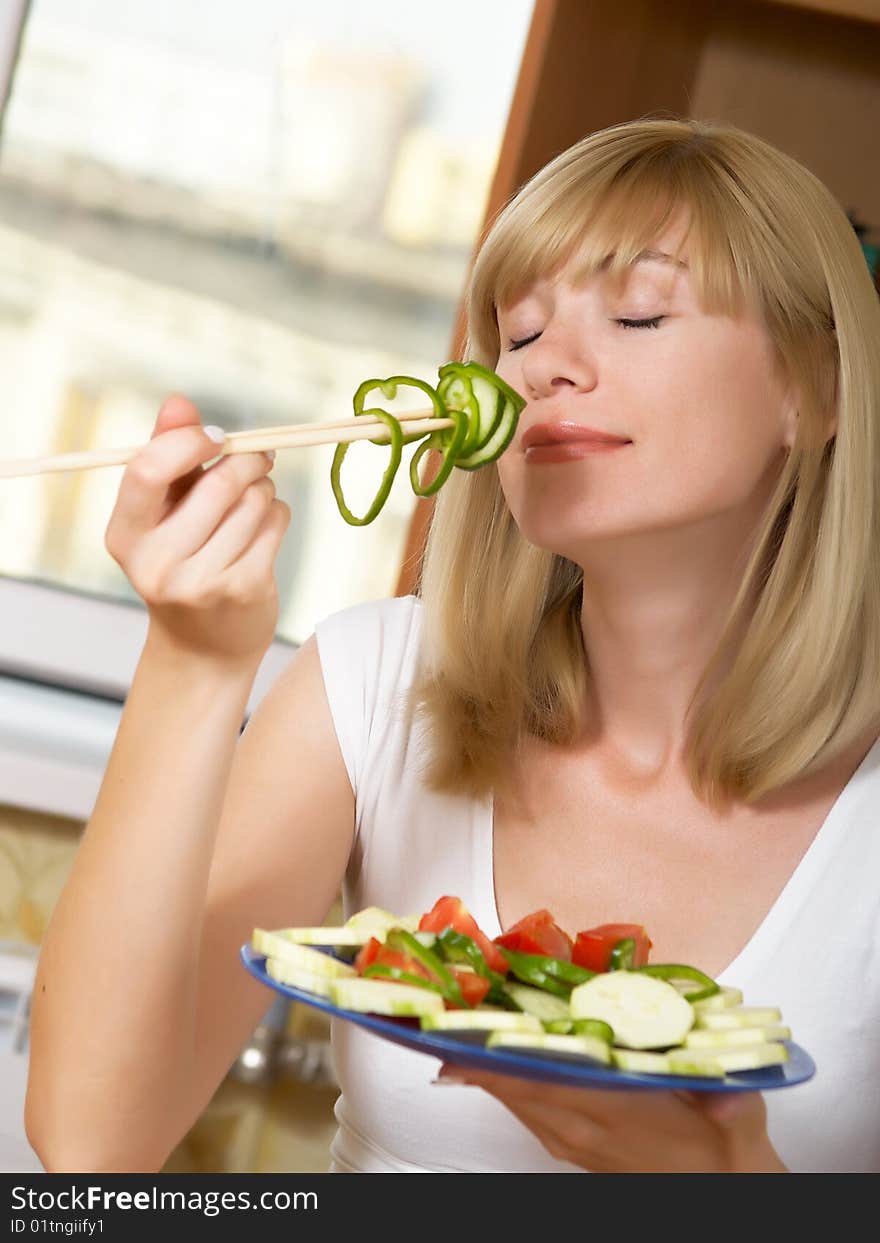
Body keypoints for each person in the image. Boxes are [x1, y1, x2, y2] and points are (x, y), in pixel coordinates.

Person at [24, 116, 880, 1174]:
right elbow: (90, 1147)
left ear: (818, 391)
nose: (543, 369)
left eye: (639, 313)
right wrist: (195, 662)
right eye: (516, 334)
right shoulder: (376, 682)